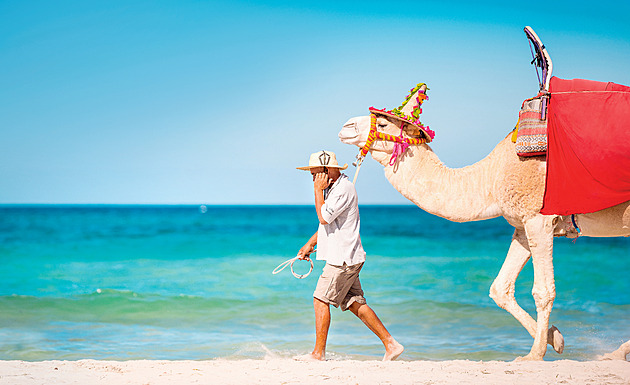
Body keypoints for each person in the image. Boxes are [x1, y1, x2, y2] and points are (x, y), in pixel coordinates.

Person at [296, 150, 404, 361]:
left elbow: (324, 217)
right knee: (355, 302)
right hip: (347, 257)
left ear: (326, 170)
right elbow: (329, 224)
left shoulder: (342, 189)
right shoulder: (334, 188)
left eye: (314, 173)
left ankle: (318, 354)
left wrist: (317, 191)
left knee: (320, 299)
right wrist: (310, 244)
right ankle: (391, 344)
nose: (312, 177)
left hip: (342, 259)